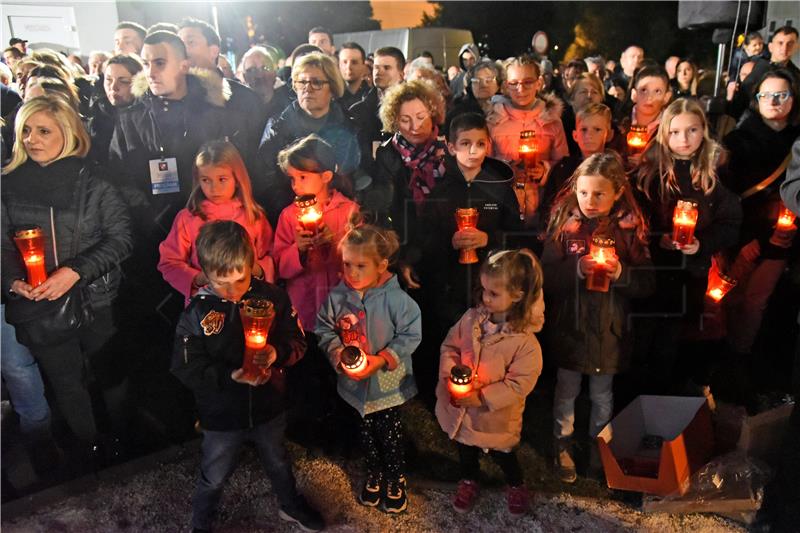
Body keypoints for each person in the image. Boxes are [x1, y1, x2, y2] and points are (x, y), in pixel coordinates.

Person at [1, 95, 133, 468]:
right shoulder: (7, 185)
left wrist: (74, 272)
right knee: (66, 382)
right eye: (25, 130)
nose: (32, 139)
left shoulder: (95, 182)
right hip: (40, 303)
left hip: (96, 297)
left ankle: (124, 439)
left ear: (69, 134)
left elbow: (121, 238)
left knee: (110, 373)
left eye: (43, 130)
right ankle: (89, 448)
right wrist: (13, 281)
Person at [171, 220, 324, 533]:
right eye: (220, 283)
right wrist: (230, 376)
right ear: (205, 273)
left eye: (239, 280)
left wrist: (275, 353)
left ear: (251, 263)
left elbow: (297, 340)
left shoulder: (273, 298)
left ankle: (289, 505)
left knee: (279, 461)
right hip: (221, 414)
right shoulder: (197, 313)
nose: (232, 291)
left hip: (268, 405)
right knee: (213, 474)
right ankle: (202, 523)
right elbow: (186, 366)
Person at [543, 152, 653, 483]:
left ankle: (597, 445)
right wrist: (576, 269)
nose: (590, 201)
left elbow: (648, 282)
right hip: (571, 326)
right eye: (584, 192)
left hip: (610, 329)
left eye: (599, 194)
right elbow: (545, 275)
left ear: (618, 191)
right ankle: (561, 443)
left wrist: (620, 272)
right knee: (567, 389)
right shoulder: (565, 224)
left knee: (602, 394)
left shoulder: (630, 228)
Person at [634, 98, 742, 402]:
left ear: (703, 131)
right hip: (653, 271)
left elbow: (730, 221)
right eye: (676, 132)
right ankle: (633, 395)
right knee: (642, 334)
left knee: (671, 337)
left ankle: (662, 396)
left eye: (692, 130)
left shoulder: (715, 173)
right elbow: (638, 216)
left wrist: (701, 244)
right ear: (664, 135)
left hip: (688, 275)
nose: (684, 139)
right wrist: (658, 238)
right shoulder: (649, 173)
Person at [315, 222, 422, 514]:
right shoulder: (339, 297)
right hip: (354, 386)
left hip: (386, 384)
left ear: (381, 265)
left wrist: (383, 358)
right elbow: (324, 328)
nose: (352, 273)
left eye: (361, 265)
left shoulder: (397, 300)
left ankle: (395, 478)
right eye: (347, 264)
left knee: (389, 434)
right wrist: (338, 353)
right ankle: (374, 472)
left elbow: (411, 334)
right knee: (365, 433)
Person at [436, 249, 543, 515]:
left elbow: (519, 383)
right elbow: (450, 346)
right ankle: (470, 479)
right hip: (462, 409)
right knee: (465, 448)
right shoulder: (472, 319)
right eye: (483, 290)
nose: (485, 297)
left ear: (517, 295)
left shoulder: (524, 342)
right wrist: (452, 373)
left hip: (494, 417)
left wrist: (483, 398)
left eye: (493, 293)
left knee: (502, 453)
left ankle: (516, 485)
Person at [721, 69, 799, 365]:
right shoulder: (738, 140)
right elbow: (728, 192)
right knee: (732, 298)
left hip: (781, 237)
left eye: (782, 95)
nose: (775, 101)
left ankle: (741, 359)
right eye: (767, 95)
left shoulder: (797, 140)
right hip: (741, 234)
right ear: (757, 99)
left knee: (757, 302)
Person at [158, 140, 274, 305]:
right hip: (205, 306)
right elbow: (169, 262)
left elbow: (271, 256)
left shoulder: (253, 216)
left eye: (222, 179)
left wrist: (255, 269)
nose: (214, 188)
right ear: (198, 180)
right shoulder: (188, 218)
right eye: (206, 180)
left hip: (249, 302)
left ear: (237, 178)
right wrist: (198, 278)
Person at [258, 52, 360, 226]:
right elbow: (266, 181)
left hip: (338, 221)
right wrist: (293, 215)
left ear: (333, 88)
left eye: (317, 82)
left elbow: (354, 177)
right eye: (302, 81)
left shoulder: (348, 127)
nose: (308, 88)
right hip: (290, 221)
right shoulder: (277, 128)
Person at [273, 135, 356, 331]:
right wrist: (298, 250)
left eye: (303, 177)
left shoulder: (349, 211)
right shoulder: (289, 215)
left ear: (326, 176)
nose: (296, 185)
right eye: (293, 178)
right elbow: (279, 265)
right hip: (304, 305)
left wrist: (333, 245)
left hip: (341, 304)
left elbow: (360, 259)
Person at [487, 55, 569, 227]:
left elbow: (563, 164)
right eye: (514, 83)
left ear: (539, 83)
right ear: (505, 86)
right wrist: (506, 169)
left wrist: (544, 170)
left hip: (542, 206)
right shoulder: (494, 122)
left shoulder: (552, 122)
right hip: (504, 206)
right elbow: (485, 164)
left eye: (527, 82)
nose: (520, 89)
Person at [373, 79, 447, 269]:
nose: (415, 126)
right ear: (394, 121)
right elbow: (387, 207)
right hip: (407, 245)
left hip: (447, 240)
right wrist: (402, 255)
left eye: (421, 117)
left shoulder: (449, 146)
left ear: (432, 113)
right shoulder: (387, 153)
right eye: (405, 120)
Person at [178, 17, 264, 161]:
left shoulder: (244, 98)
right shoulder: (169, 99)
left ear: (213, 51)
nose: (182, 50)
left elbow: (257, 155)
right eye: (179, 44)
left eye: (190, 42)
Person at [543, 103, 614, 215]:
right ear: (575, 136)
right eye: (584, 130)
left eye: (597, 129)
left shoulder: (615, 170)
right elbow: (547, 209)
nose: (589, 135)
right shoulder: (563, 170)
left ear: (609, 134)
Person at [349, 46, 405, 169]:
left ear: (401, 74)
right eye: (376, 67)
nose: (379, 72)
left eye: (387, 68)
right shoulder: (357, 111)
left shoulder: (413, 110)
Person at [87, 54, 143, 164]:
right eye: (108, 80)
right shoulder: (96, 115)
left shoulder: (148, 118)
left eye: (124, 81)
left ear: (139, 83)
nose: (113, 87)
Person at [615, 66, 672, 163]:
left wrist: (652, 161)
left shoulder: (671, 127)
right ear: (634, 95)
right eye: (644, 90)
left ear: (666, 97)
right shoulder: (619, 121)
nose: (649, 97)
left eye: (657, 91)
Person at [445, 59, 502, 135]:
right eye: (477, 80)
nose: (483, 85)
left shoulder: (507, 110)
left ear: (498, 84)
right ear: (470, 85)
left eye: (489, 80)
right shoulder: (459, 114)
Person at [240, 45, 292, 123]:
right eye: (252, 70)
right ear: (244, 76)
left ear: (274, 73)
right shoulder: (238, 108)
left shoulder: (289, 103)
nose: (259, 75)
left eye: (265, 68)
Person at [562, 72, 606, 157]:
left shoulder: (608, 125)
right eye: (583, 92)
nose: (589, 96)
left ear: (601, 98)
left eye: (594, 92)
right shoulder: (561, 126)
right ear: (572, 99)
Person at [338, 41, 370, 110]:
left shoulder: (371, 97)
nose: (348, 67)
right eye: (344, 62)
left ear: (363, 66)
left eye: (354, 62)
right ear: (339, 65)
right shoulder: (331, 96)